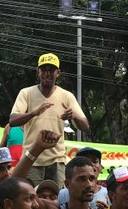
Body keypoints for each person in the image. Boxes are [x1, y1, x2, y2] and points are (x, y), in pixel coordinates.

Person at [10, 53, 89, 185]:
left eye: (51, 70)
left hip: (57, 160)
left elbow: (85, 125)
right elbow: (12, 120)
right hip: (32, 159)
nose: (47, 73)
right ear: (38, 72)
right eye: (44, 69)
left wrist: (73, 115)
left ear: (58, 73)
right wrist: (33, 113)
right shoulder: (26, 93)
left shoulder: (66, 96)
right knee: (31, 200)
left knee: (56, 200)